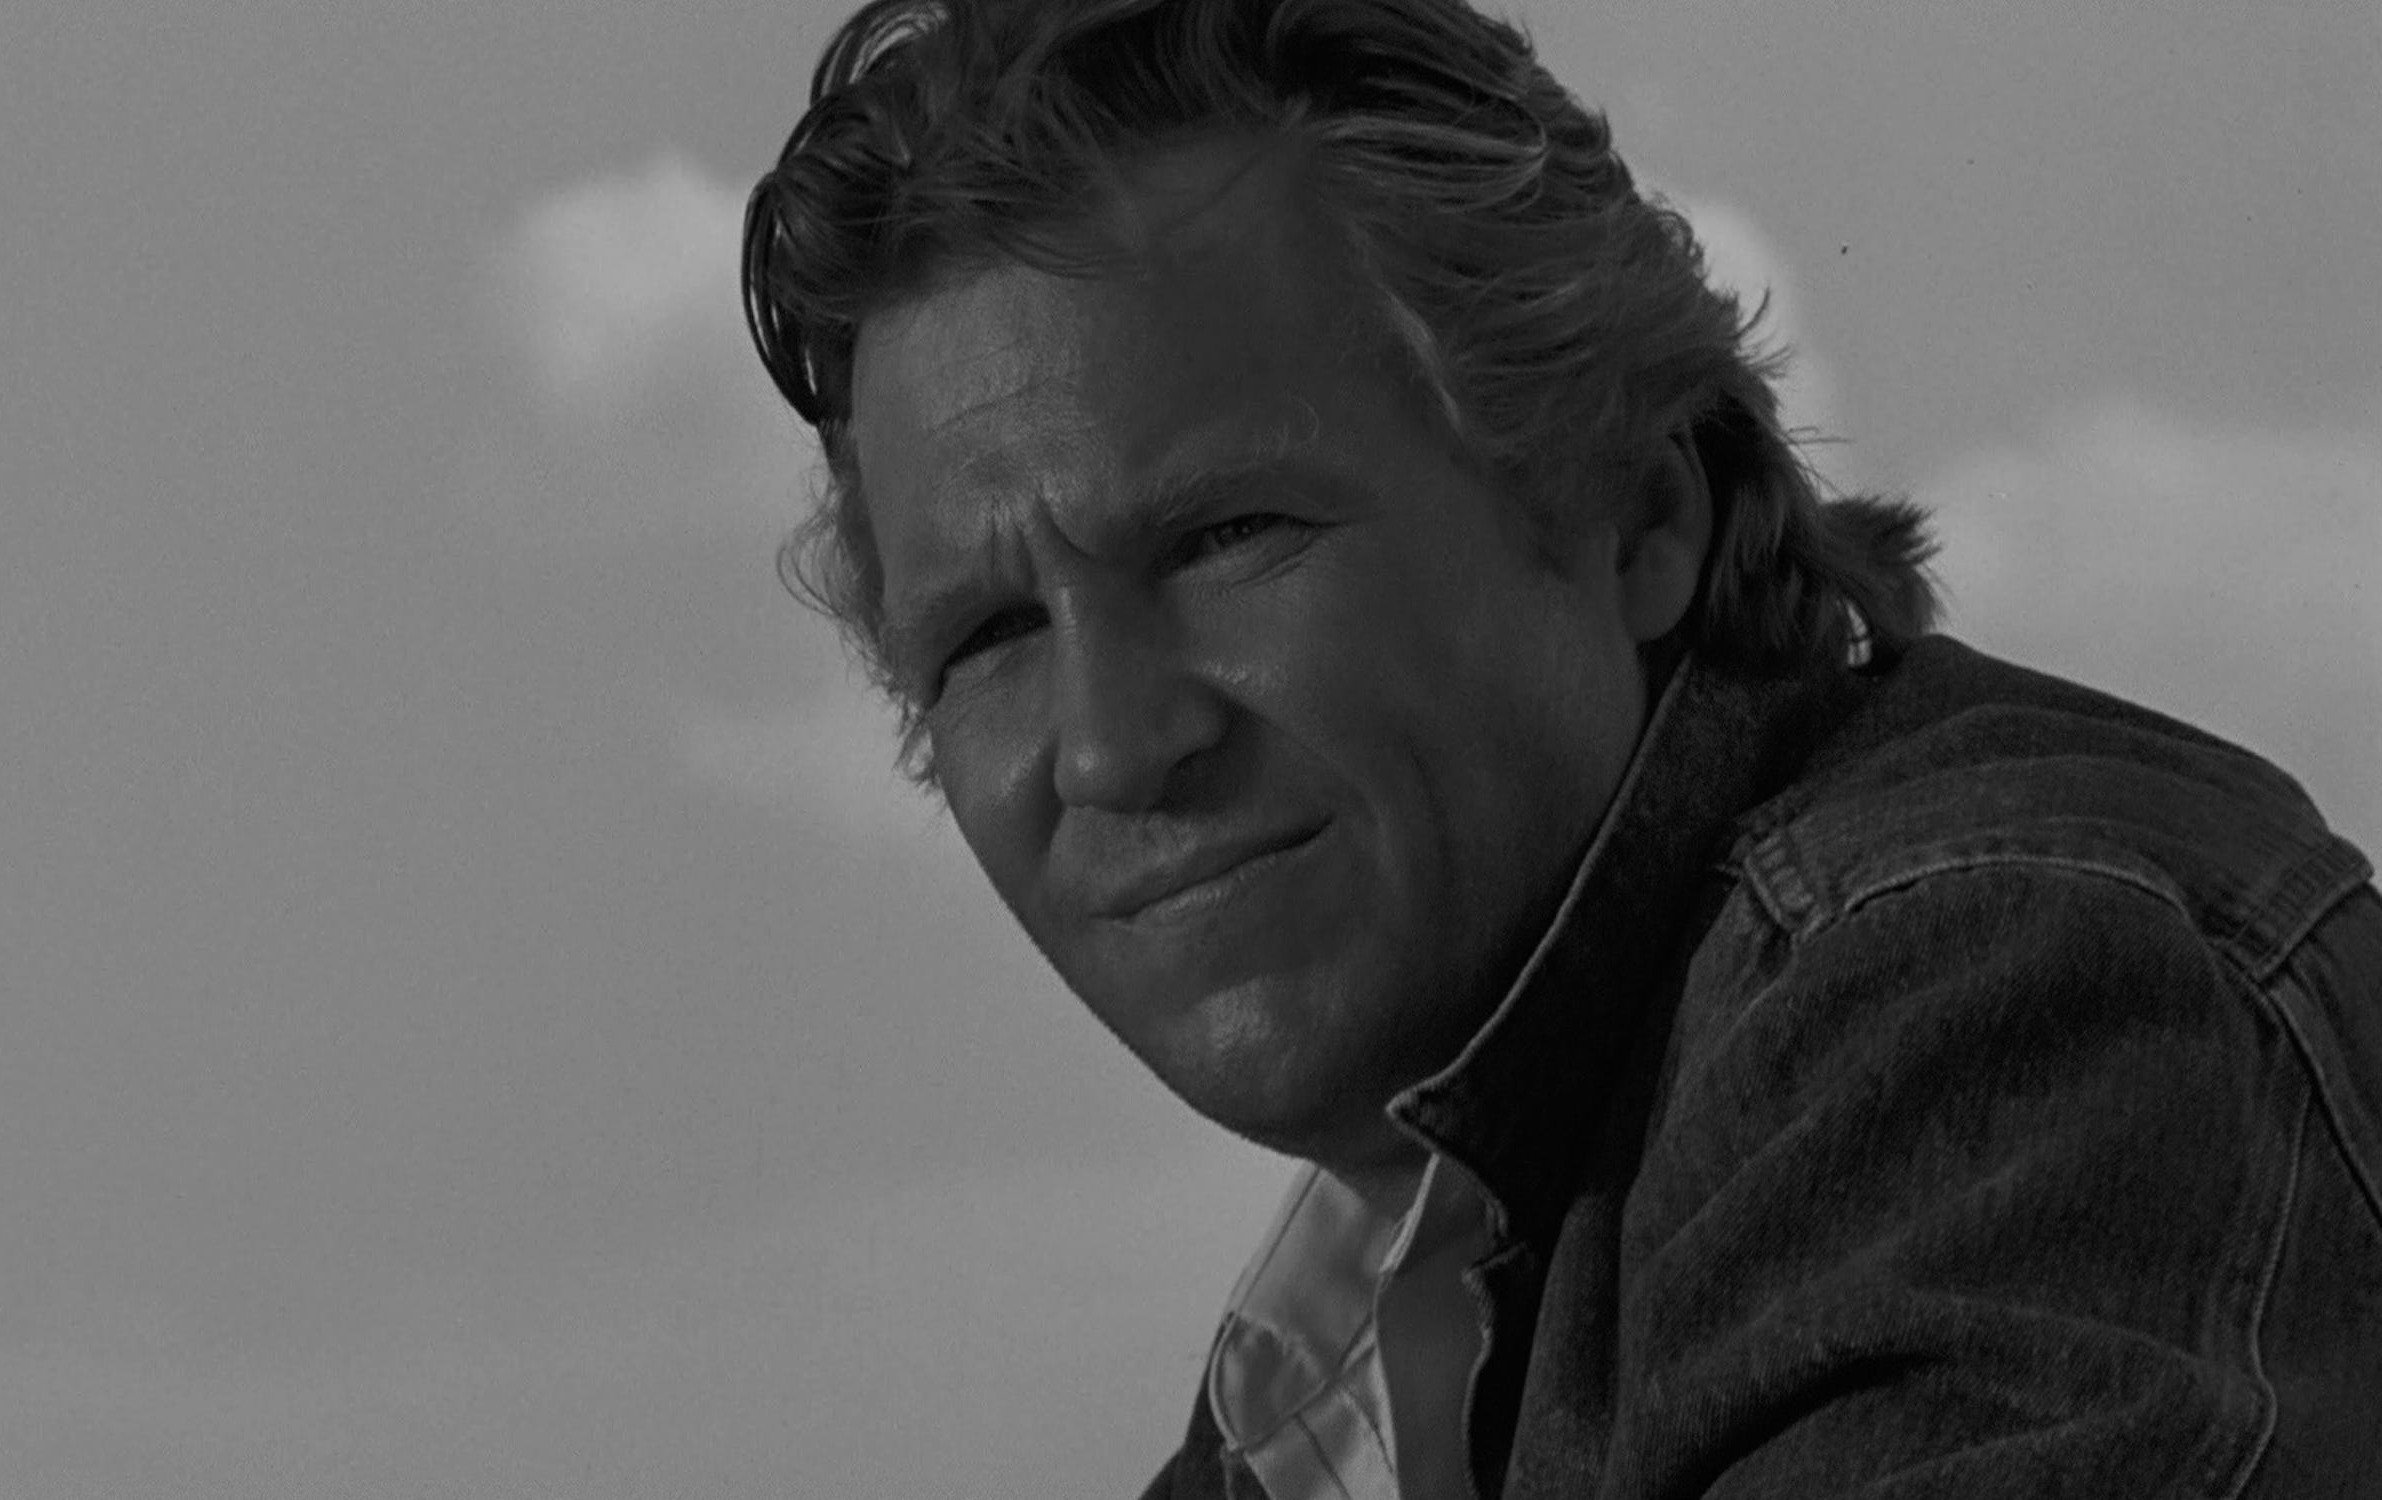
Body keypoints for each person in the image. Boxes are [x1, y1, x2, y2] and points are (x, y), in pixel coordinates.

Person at [737, 0, 2382, 1494]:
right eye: (989, 637)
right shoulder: (1330, 1372)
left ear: (1637, 513)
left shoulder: (1998, 986)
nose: (1111, 746)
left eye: (1225, 536)